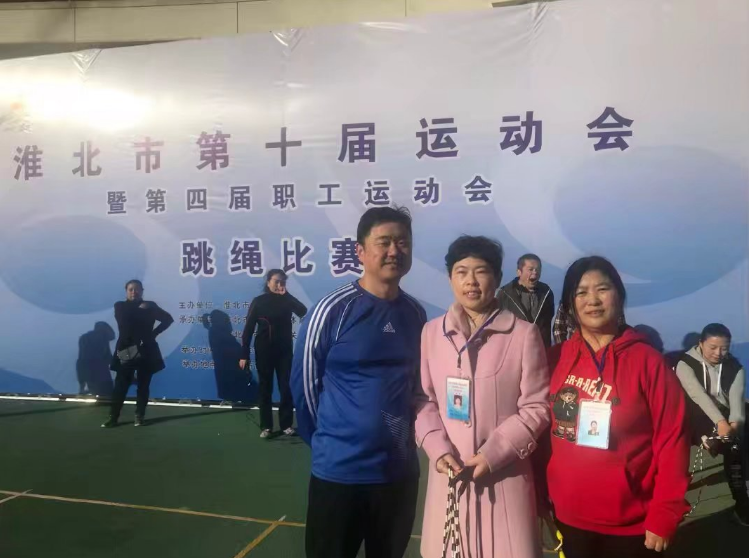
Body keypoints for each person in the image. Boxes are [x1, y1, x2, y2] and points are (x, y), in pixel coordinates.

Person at [290, 206, 426, 558]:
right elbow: (304, 390)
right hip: (340, 475)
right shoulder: (331, 310)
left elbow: (417, 388)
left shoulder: (415, 314)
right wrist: (332, 442)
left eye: (403, 242)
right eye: (384, 242)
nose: (394, 250)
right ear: (360, 251)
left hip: (398, 474)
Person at [541, 256, 690, 557]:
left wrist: (666, 510)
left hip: (633, 523)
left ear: (619, 296)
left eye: (602, 289)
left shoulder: (648, 362)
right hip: (569, 517)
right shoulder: (554, 359)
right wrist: (538, 497)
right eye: (581, 292)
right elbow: (540, 432)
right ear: (569, 304)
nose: (593, 300)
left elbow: (672, 438)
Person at [415, 235, 549, 558]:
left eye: (481, 271)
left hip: (505, 480)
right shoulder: (432, 333)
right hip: (450, 478)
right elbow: (423, 399)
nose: (471, 282)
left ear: (498, 278)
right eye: (461, 272)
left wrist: (495, 453)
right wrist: (437, 449)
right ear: (450, 278)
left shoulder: (524, 334)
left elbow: (537, 406)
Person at [674, 323, 747, 524]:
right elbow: (698, 395)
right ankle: (673, 500)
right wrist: (720, 423)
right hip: (693, 414)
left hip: (724, 415)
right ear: (701, 344)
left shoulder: (736, 367)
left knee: (735, 447)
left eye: (724, 348)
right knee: (676, 451)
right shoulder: (684, 364)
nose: (718, 353)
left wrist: (734, 427)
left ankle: (742, 501)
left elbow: (736, 403)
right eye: (713, 347)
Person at [240, 269, 307, 438]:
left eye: (282, 281)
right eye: (276, 281)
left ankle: (286, 425)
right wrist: (244, 355)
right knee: (265, 388)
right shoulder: (259, 302)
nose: (279, 285)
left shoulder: (287, 300)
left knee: (286, 388)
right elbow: (248, 329)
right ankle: (266, 427)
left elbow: (303, 310)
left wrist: (287, 295)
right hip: (264, 351)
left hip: (284, 352)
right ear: (268, 282)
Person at [102, 280, 174, 427]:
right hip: (127, 349)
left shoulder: (150, 305)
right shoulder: (120, 306)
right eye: (131, 289)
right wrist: (144, 309)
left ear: (142, 291)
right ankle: (113, 417)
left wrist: (153, 334)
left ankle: (139, 416)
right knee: (121, 384)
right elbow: (124, 321)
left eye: (137, 289)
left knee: (143, 384)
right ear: (126, 291)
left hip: (146, 349)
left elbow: (168, 319)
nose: (134, 292)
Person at [499, 253, 555, 347]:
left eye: (538, 269)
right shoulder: (505, 294)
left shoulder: (546, 293)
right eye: (530, 269)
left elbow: (548, 323)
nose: (535, 272)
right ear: (519, 272)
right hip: (513, 348)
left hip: (540, 348)